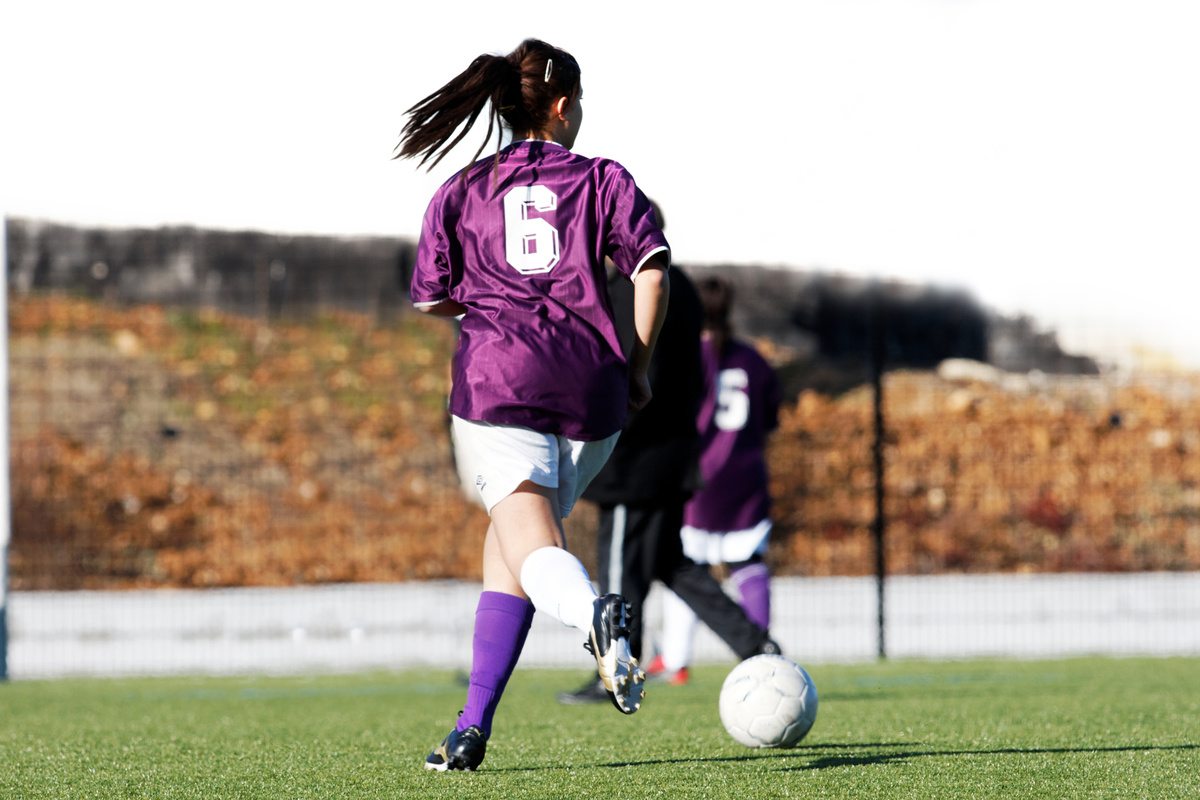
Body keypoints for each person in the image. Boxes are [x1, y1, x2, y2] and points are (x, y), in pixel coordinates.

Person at [395, 38, 670, 772]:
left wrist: (494, 306)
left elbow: (430, 296)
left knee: (533, 548)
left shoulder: (462, 189)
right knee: (511, 552)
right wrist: (638, 370)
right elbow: (649, 274)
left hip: (501, 383)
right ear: (561, 105)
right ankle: (469, 729)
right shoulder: (605, 179)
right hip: (593, 391)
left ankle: (595, 618)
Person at [557, 217, 780, 705]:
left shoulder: (641, 288)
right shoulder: (684, 289)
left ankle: (613, 671)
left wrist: (601, 433)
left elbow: (635, 372)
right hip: (674, 454)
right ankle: (755, 643)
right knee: (668, 562)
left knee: (618, 564)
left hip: (634, 458)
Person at [653, 276, 783, 682]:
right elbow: (772, 416)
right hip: (745, 477)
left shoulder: (685, 356)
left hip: (698, 479)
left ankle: (675, 660)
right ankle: (761, 652)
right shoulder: (753, 359)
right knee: (747, 561)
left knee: (685, 565)